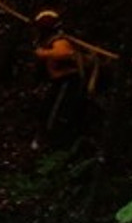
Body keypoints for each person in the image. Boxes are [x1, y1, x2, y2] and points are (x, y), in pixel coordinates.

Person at [32, 9, 90, 148]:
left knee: (57, 112)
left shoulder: (60, 40)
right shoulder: (48, 40)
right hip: (58, 82)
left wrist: (43, 54)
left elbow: (63, 53)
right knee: (46, 110)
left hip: (68, 81)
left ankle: (53, 143)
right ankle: (46, 140)